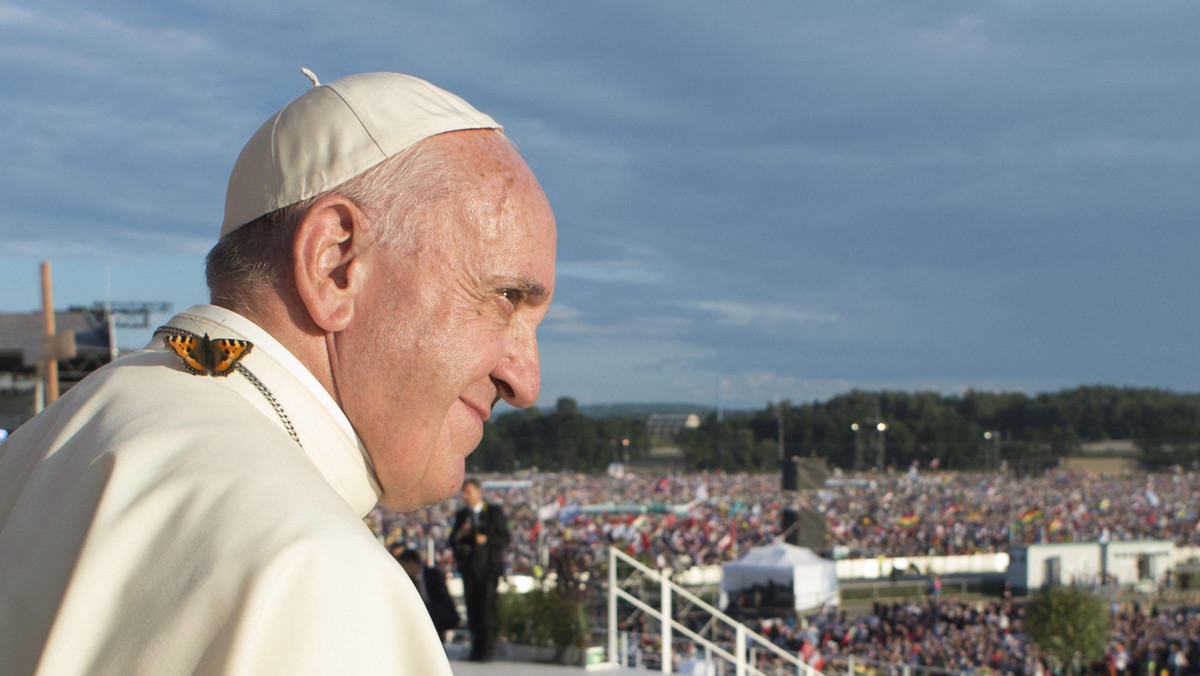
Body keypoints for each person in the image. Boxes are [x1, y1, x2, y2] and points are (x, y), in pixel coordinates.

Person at [0, 70, 555, 675]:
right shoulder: (315, 573)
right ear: (335, 263)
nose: (525, 382)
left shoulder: (41, 446)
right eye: (505, 297)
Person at [451, 477, 511, 662]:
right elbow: (452, 541)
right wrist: (462, 533)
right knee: (473, 611)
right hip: (469, 569)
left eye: (469, 492)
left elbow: (505, 539)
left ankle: (488, 651)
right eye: (464, 492)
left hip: (488, 569)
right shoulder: (462, 516)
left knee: (487, 610)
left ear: (479, 492)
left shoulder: (493, 513)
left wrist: (486, 540)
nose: (465, 496)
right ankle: (476, 650)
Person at [394, 547, 460, 641]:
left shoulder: (433, 575)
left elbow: (442, 598)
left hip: (437, 616)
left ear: (411, 563)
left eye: (403, 566)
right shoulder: (407, 580)